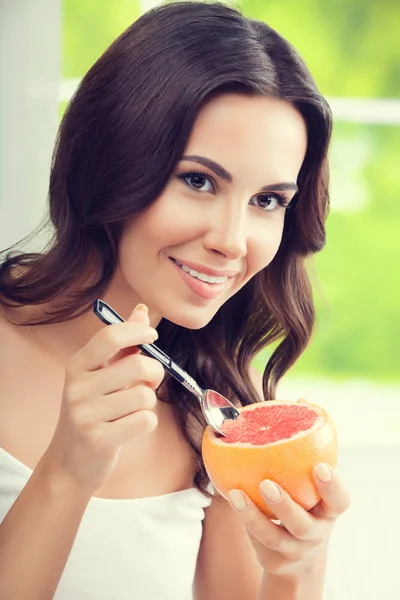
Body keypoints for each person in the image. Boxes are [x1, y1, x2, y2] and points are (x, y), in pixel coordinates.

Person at [0, 2, 350, 598]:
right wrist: (66, 472)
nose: (231, 242)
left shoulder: (211, 414)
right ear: (112, 161)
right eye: (198, 180)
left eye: (267, 200)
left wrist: (295, 570)